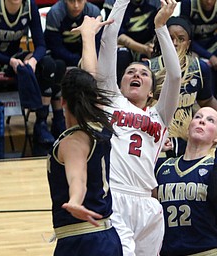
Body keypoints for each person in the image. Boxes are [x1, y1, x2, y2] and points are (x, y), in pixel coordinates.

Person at [76, 0, 181, 254]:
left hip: (148, 202)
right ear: (119, 82)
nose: (136, 75)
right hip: (115, 196)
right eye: (130, 72)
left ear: (152, 89)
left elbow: (175, 75)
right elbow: (109, 40)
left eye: (144, 74)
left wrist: (161, 27)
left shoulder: (160, 115)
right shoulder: (111, 98)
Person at [149, 15, 217, 157]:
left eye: (181, 39)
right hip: (155, 137)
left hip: (185, 138)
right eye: (170, 38)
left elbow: (207, 100)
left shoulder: (199, 68)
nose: (175, 43)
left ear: (188, 43)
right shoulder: (149, 69)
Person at [46, 65, 123, 254]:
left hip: (82, 242)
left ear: (62, 101)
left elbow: (77, 178)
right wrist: (88, 37)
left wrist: (75, 201)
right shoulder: (100, 127)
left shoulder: (72, 142)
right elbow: (89, 72)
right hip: (108, 237)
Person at [154, 106, 217, 256]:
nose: (202, 121)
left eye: (210, 120)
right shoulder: (163, 166)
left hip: (208, 252)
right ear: (188, 129)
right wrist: (157, 150)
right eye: (198, 117)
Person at [0, 0, 64, 144]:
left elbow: (41, 46)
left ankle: (41, 123)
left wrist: (33, 60)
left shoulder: (30, 7)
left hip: (13, 58)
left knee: (49, 64)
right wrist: (9, 61)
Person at [103, 0, 160, 83]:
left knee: (156, 55)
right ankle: (119, 88)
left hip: (149, 42)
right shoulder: (112, 2)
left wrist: (153, 45)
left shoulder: (156, 2)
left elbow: (159, 27)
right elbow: (115, 33)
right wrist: (143, 49)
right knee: (122, 56)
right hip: (123, 44)